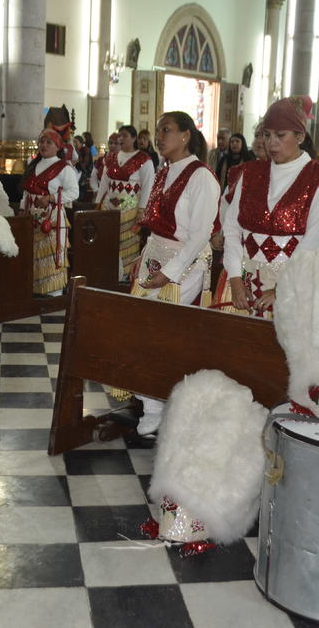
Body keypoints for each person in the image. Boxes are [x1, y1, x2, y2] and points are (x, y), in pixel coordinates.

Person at [131, 111, 220, 434]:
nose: (159, 136)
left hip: (186, 265)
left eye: (165, 130)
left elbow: (199, 235)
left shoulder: (202, 177)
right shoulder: (162, 172)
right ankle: (152, 404)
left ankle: (165, 405)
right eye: (157, 130)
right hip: (155, 256)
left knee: (161, 333)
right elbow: (155, 227)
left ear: (185, 135)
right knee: (142, 329)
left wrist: (170, 273)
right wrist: (143, 259)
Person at [216, 96, 319, 319]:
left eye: (280, 136)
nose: (271, 143)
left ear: (300, 136)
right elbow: (231, 228)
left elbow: (315, 239)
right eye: (266, 135)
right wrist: (234, 277)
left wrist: (283, 287)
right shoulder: (250, 173)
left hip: (292, 284)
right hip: (243, 280)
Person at [22, 129, 80, 296]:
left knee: (50, 252)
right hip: (32, 215)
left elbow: (74, 192)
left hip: (52, 217)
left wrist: (51, 198)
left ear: (58, 146)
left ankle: (53, 290)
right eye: (41, 141)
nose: (44, 145)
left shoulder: (64, 167)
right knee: (34, 252)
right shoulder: (33, 164)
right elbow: (26, 192)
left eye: (49, 142)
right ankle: (36, 287)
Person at [95, 124, 155, 281]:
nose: (121, 138)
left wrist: (142, 211)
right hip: (109, 207)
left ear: (134, 138)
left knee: (127, 244)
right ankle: (109, 275)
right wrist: (98, 205)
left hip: (130, 210)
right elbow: (104, 183)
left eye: (125, 136)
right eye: (119, 135)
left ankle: (126, 277)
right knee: (108, 242)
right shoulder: (111, 157)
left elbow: (148, 186)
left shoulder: (144, 160)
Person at [90, 132, 119, 198]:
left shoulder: (123, 162)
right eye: (110, 143)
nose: (113, 145)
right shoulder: (101, 160)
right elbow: (93, 176)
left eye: (116, 143)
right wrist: (96, 190)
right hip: (100, 191)